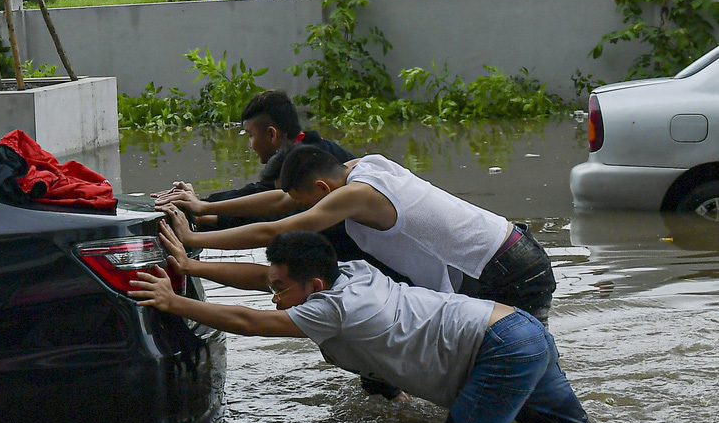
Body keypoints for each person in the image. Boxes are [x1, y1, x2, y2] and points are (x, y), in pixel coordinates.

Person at [129, 230, 622, 423]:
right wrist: (192, 269)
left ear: (314, 284)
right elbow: (262, 278)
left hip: (499, 350)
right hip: (517, 330)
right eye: (276, 286)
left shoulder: (334, 310)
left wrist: (174, 304)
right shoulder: (351, 273)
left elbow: (248, 322)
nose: (275, 295)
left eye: (283, 289)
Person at [160, 144, 557, 322]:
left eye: (310, 202)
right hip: (512, 251)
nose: (307, 208)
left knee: (515, 370)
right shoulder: (366, 164)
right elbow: (281, 202)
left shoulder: (358, 195)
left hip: (504, 270)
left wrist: (194, 242)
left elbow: (278, 228)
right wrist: (205, 208)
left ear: (322, 192)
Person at [155, 90, 355, 227]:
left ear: (272, 134)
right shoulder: (310, 147)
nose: (250, 144)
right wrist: (200, 203)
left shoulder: (304, 167)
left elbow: (273, 218)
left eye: (250, 135)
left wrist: (202, 213)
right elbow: (258, 194)